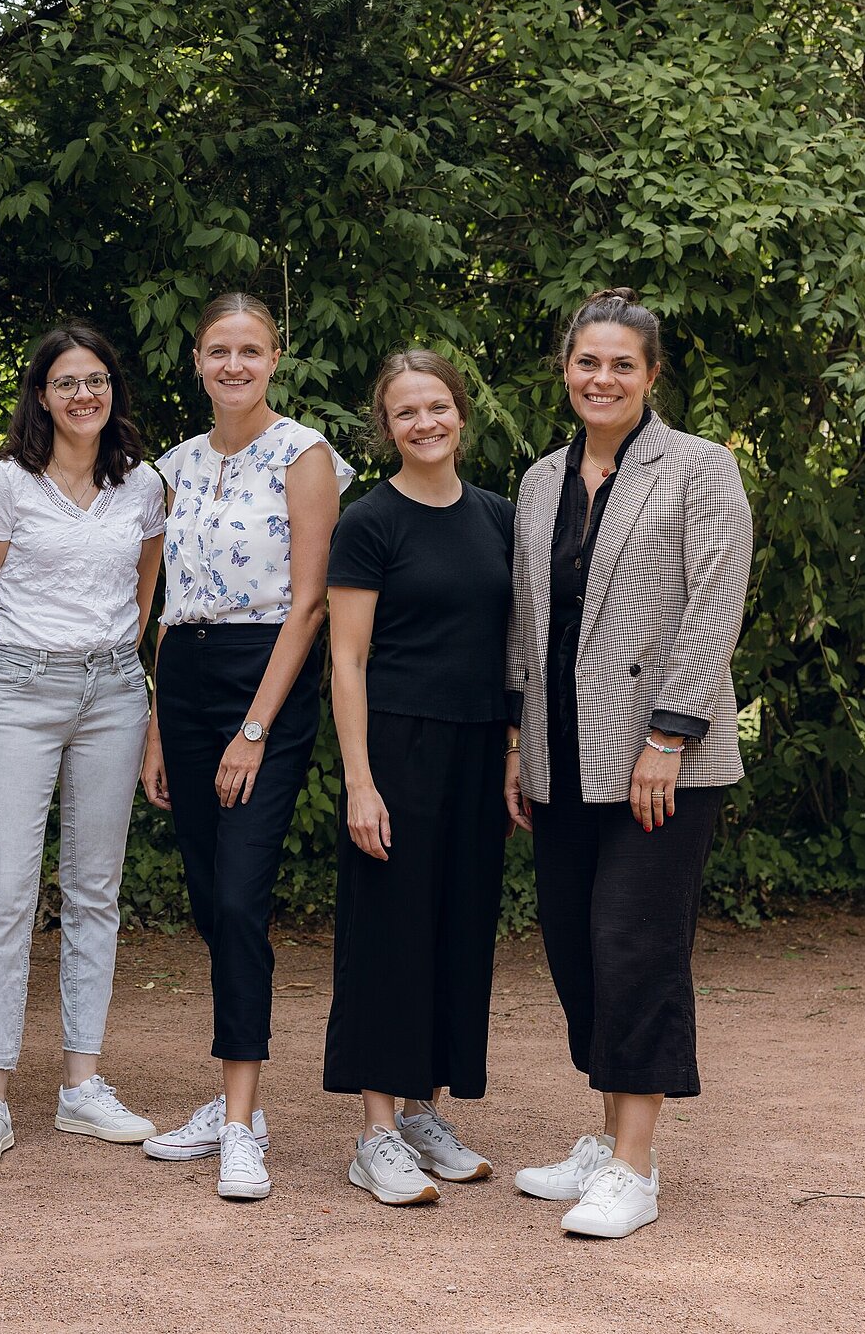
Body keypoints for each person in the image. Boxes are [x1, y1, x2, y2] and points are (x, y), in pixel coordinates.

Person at [504, 288, 753, 1240]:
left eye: (621, 364)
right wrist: (518, 741)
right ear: (565, 369)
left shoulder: (698, 467)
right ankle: (608, 1140)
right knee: (576, 951)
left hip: (662, 756)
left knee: (635, 948)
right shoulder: (539, 480)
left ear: (650, 375)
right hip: (560, 753)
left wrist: (668, 737)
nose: (600, 378)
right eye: (587, 362)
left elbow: (715, 604)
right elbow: (527, 619)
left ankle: (636, 1169)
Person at [137, 291, 352, 1201]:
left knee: (238, 896)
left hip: (263, 674)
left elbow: (309, 605)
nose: (234, 365)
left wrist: (255, 729)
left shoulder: (305, 455)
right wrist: (157, 723)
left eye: (250, 351)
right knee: (206, 895)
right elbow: (164, 603)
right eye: (218, 351)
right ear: (196, 360)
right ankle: (241, 1108)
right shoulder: (175, 464)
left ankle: (238, 1127)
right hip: (185, 676)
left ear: (275, 358)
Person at [0, 321, 163, 1167]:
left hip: (113, 693)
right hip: (18, 691)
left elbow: (143, 595)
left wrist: (111, 667)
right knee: (5, 891)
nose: (83, 395)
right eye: (66, 382)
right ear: (41, 395)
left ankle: (81, 1086)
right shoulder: (6, 482)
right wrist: (14, 675)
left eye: (96, 380)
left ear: (113, 390)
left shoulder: (143, 484)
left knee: (94, 890)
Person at [322, 350, 514, 1206]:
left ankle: (424, 1112)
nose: (425, 423)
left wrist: (513, 751)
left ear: (461, 414)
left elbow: (515, 645)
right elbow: (347, 660)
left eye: (437, 406)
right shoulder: (369, 523)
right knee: (389, 934)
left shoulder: (500, 516)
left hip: (478, 750)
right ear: (387, 426)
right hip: (396, 748)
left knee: (458, 931)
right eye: (406, 412)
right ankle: (376, 1133)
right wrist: (361, 782)